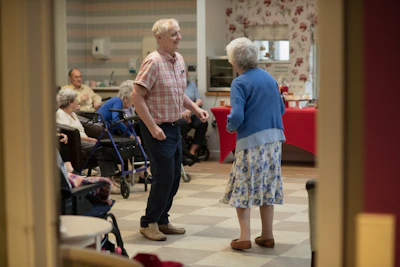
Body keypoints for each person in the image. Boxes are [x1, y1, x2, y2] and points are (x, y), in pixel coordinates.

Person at [131, 18, 209, 241]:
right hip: (158, 129)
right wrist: (152, 127)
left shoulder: (178, 60)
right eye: (174, 34)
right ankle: (149, 222)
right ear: (159, 38)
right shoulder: (153, 62)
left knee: (174, 176)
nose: (179, 37)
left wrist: (195, 108)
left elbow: (177, 92)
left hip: (174, 127)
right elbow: (136, 96)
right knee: (163, 176)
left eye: (179, 32)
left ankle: (162, 220)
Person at [220, 37, 286, 250]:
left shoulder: (239, 82)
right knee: (267, 185)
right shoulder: (269, 78)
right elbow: (282, 110)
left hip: (252, 142)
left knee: (244, 186)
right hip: (275, 140)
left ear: (235, 61)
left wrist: (230, 126)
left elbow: (237, 115)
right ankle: (267, 235)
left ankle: (244, 237)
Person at [55, 88, 119, 191]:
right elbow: (72, 134)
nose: (78, 101)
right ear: (70, 102)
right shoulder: (60, 114)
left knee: (108, 147)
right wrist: (88, 139)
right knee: (101, 148)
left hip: (84, 140)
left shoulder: (72, 113)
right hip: (76, 142)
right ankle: (108, 180)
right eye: (75, 100)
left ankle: (112, 178)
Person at [97, 80, 152, 184]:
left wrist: (133, 135)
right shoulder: (118, 101)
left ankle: (144, 171)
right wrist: (130, 135)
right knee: (133, 141)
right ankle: (144, 172)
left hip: (109, 131)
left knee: (134, 140)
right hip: (102, 132)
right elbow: (116, 120)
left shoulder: (120, 103)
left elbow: (123, 123)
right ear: (127, 98)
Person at [178, 69, 208, 162]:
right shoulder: (175, 86)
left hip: (191, 113)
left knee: (203, 123)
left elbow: (199, 100)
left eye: (185, 72)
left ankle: (192, 151)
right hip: (179, 115)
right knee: (182, 124)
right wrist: (182, 114)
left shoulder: (192, 85)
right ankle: (183, 151)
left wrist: (189, 111)